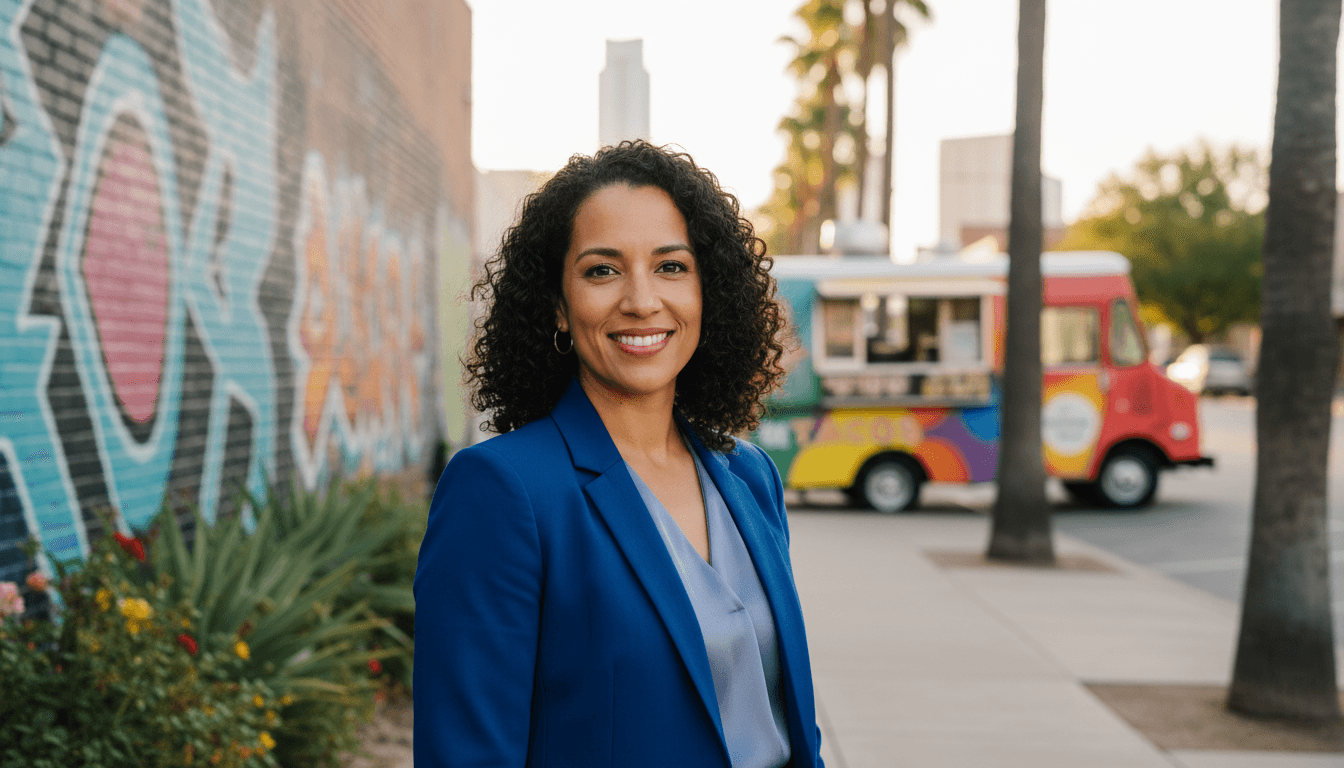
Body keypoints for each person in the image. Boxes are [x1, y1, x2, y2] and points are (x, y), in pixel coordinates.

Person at [414, 141, 825, 767]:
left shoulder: (749, 475)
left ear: (706, 291)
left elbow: (786, 726)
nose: (640, 300)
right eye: (602, 270)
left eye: (671, 267)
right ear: (557, 304)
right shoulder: (502, 491)